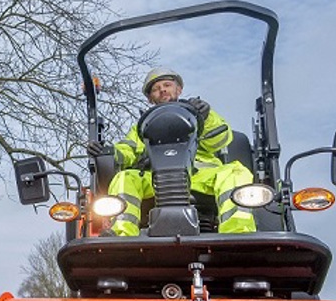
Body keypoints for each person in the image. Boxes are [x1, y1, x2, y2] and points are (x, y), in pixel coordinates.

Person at [106, 68, 256, 236]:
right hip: (156, 179)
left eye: (167, 85)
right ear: (150, 98)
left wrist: (206, 117)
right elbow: (127, 150)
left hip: (200, 176)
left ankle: (237, 233)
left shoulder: (200, 115)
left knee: (236, 172)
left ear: (178, 89)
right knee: (125, 178)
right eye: (155, 89)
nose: (162, 90)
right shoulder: (141, 129)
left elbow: (220, 140)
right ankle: (122, 235)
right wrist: (109, 152)